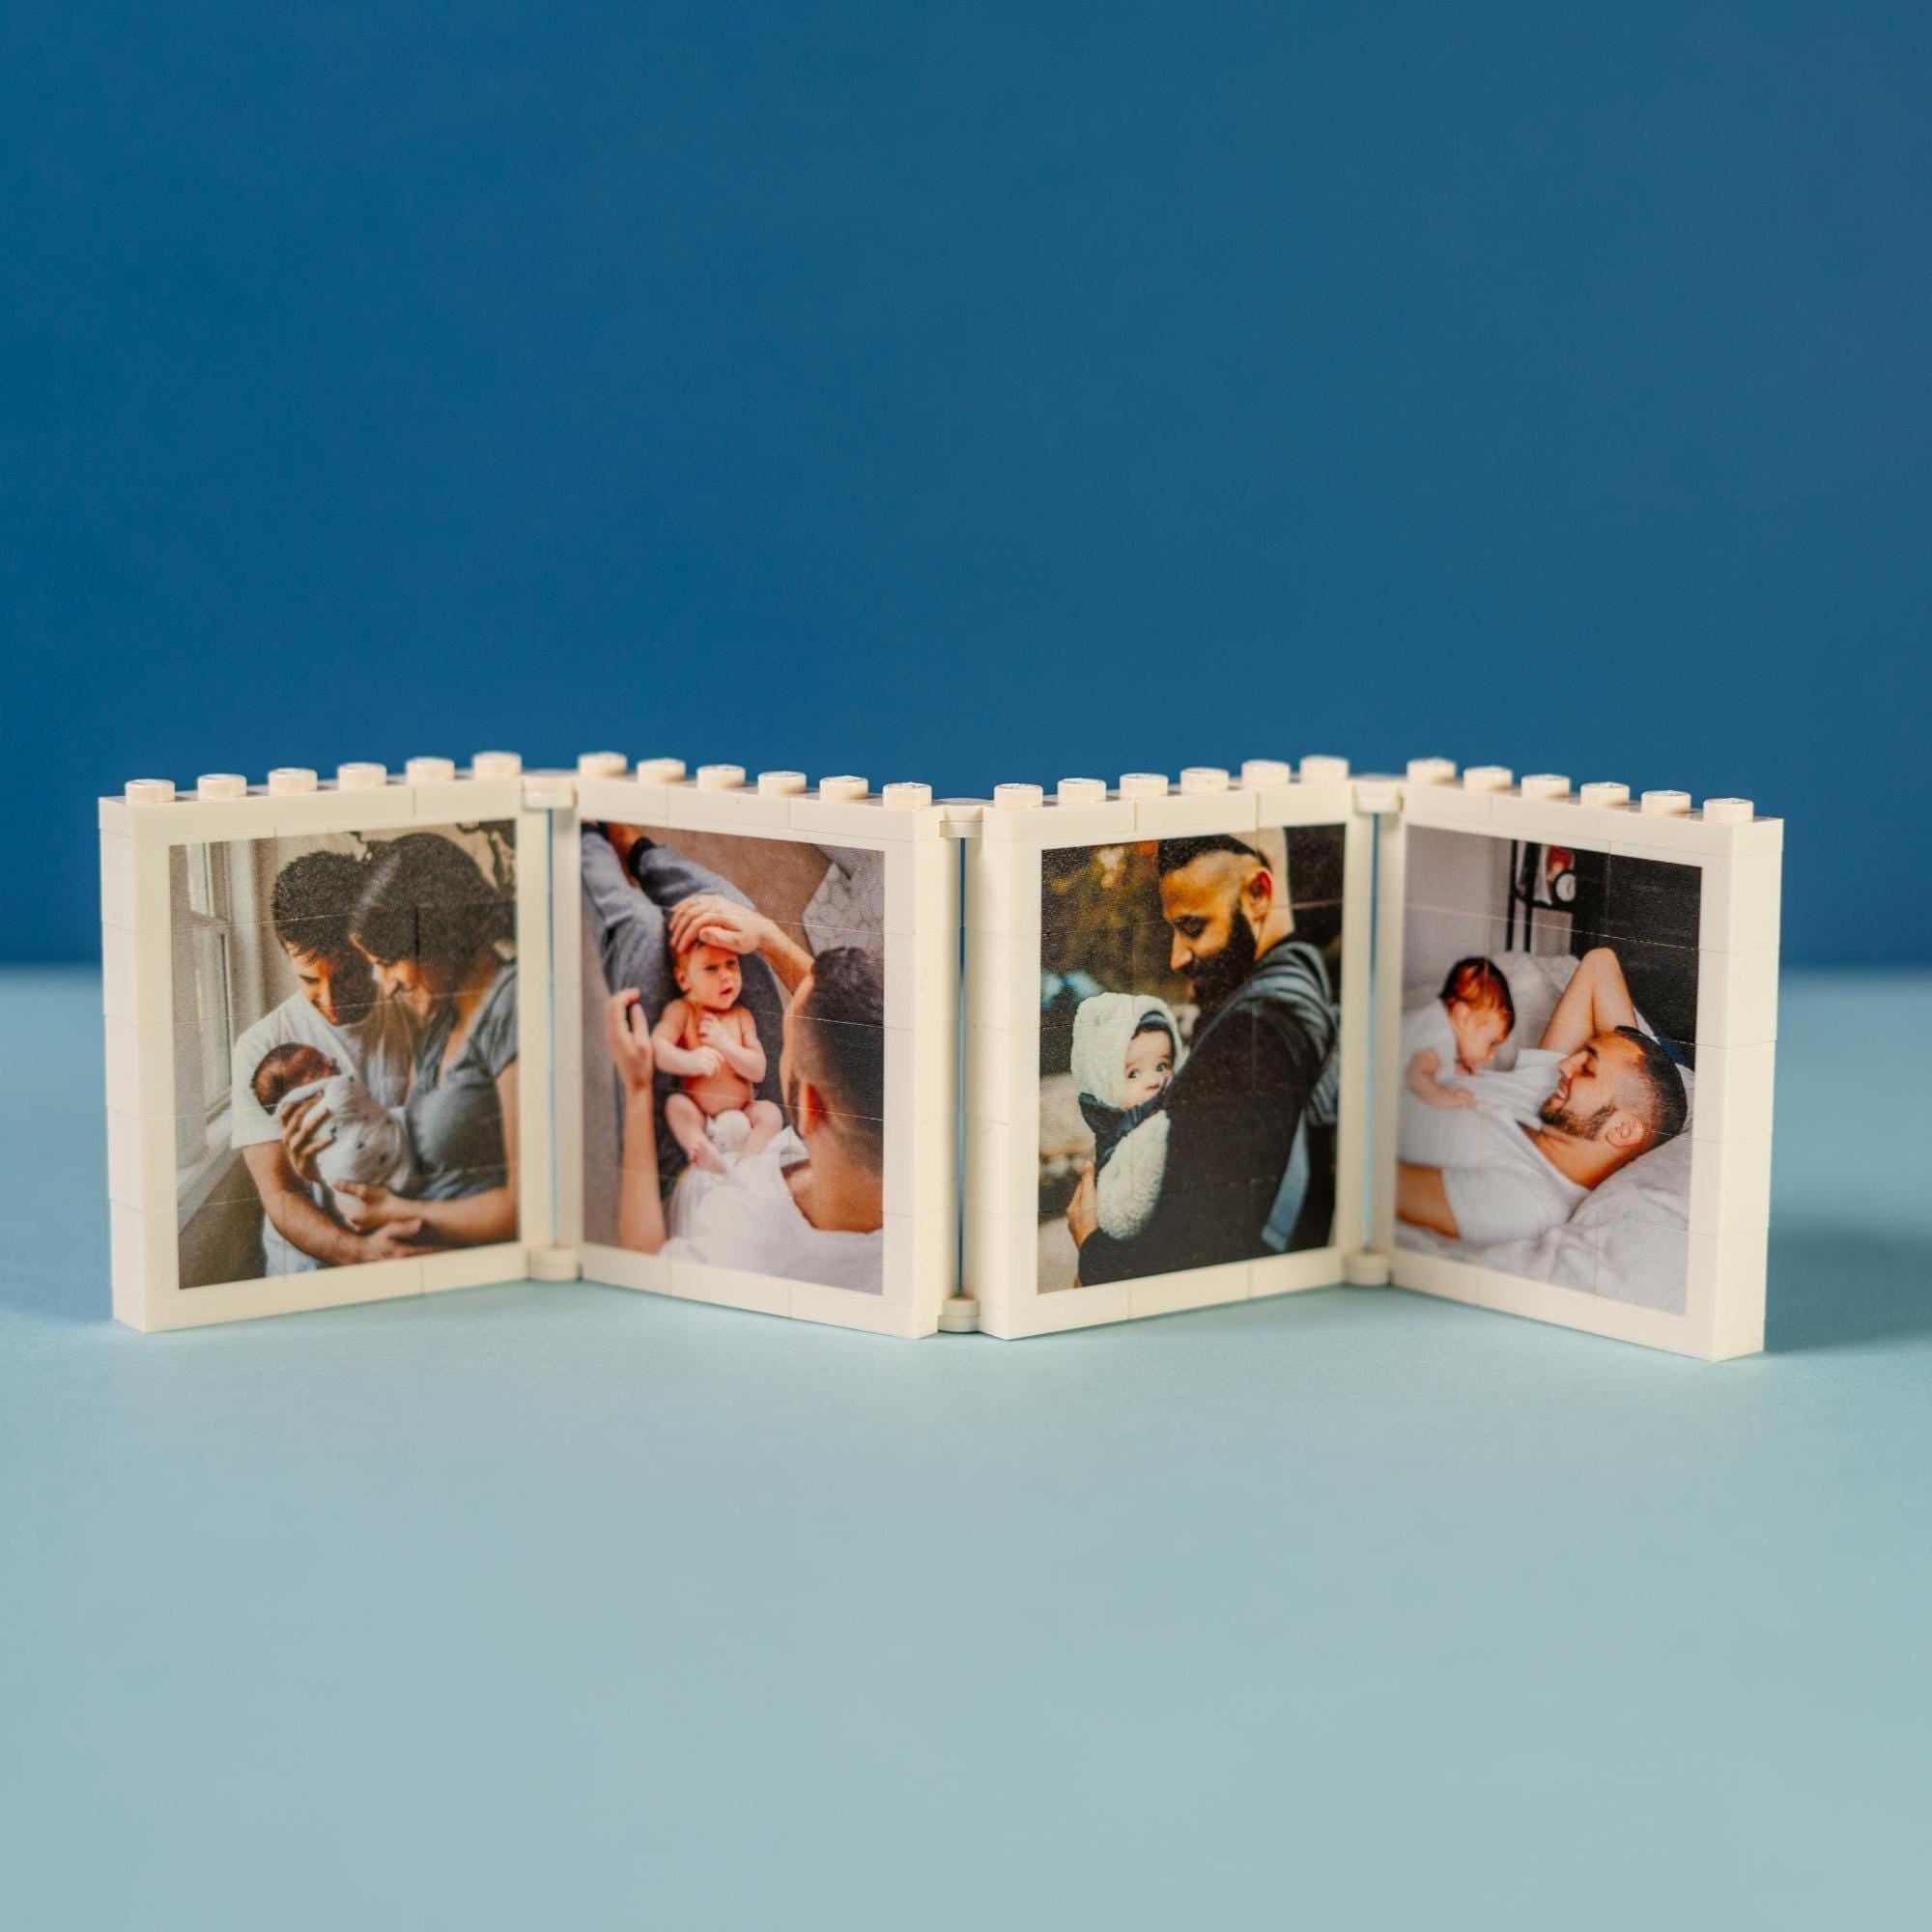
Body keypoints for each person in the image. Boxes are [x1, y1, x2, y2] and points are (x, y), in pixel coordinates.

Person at [1068, 831, 1340, 1283]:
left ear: (1259, 894)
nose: (1176, 956)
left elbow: (1195, 1253)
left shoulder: (1250, 1036)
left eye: (1193, 927)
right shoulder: (1306, 990)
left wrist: (1092, 1245)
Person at [607, 918, 887, 1293]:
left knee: (638, 931)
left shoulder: (737, 1255)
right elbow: (865, 1034)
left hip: (700, 1161)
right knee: (719, 915)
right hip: (744, 1136)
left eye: (787, 1045)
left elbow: (643, 1269)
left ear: (810, 1108)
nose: (726, 974)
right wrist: (769, 937)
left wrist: (639, 1088)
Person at [284, 833, 520, 1250]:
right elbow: (407, 1165)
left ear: (436, 934)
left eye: (388, 962)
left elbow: (529, 1207)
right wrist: (328, 1165)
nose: (387, 985)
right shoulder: (437, 1030)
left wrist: (399, 1213)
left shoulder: (511, 1005)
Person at [1396, 947, 1689, 1249]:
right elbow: (1599, 963)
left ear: (1623, 1130)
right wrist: (1625, 1056)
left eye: (1587, 1069)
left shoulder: (1526, 1200)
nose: (1564, 1065)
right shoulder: (1551, 1096)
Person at [229, 850, 424, 1271]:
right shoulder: (261, 1048)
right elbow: (280, 1193)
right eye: (309, 979)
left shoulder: (415, 1022)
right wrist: (359, 1252)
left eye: (347, 974)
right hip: (307, 1275)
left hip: (404, 1252)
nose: (330, 1002)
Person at [1396, 955, 1564, 1163]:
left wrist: (1455, 1064)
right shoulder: (1441, 1035)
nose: (1490, 1056)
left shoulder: (1436, 1022)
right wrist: (1449, 1097)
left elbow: (1430, 1060)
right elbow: (1416, 1077)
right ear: (1463, 1017)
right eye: (1491, 1043)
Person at [651, 937, 784, 1174]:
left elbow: (759, 1070)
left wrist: (725, 1044)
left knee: (771, 1113)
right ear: (684, 979)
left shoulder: (742, 1016)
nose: (726, 975)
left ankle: (747, 1165)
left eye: (731, 963)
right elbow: (658, 1047)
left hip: (746, 1114)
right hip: (704, 1122)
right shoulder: (683, 1011)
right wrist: (689, 1061)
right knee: (676, 1105)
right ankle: (705, 1153)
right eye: (711, 968)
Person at [1069, 992, 1181, 1242]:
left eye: (1162, 1066)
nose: (1154, 1081)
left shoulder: (1168, 1124)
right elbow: (1121, 1213)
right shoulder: (1121, 1133)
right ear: (1104, 1084)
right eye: (1133, 1074)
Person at [249, 1041, 415, 1199]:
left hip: (368, 1181)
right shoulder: (333, 1094)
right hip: (356, 1177)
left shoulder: (404, 1029)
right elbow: (350, 1087)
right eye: (318, 1064)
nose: (332, 1060)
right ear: (302, 1092)